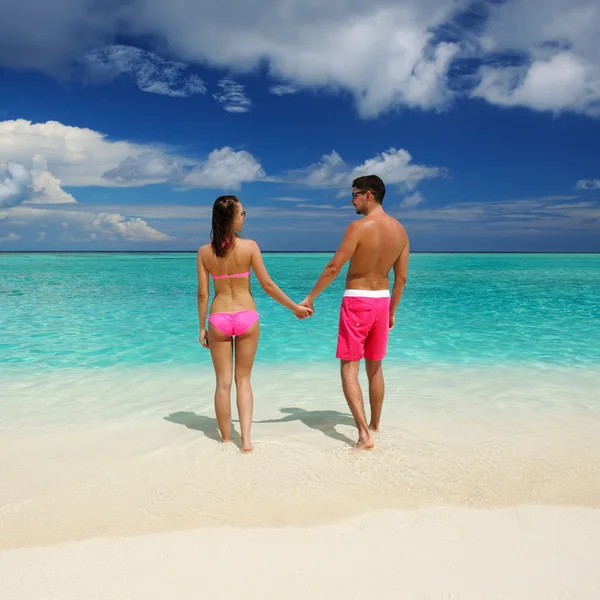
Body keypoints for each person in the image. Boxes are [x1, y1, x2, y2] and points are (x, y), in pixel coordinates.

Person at [300, 175, 409, 450]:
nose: (352, 200)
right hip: (382, 302)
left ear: (369, 195)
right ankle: (374, 425)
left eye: (355, 195)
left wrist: (311, 297)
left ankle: (363, 435)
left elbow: (334, 268)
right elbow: (402, 278)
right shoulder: (401, 232)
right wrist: (392, 310)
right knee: (375, 367)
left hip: (357, 301)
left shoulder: (358, 227)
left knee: (349, 367)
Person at [197, 195, 313, 452]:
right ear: (232, 217)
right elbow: (268, 285)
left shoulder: (204, 252)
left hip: (218, 318)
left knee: (223, 383)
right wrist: (295, 308)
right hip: (247, 316)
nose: (244, 217)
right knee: (244, 381)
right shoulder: (250, 247)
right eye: (242, 213)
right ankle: (246, 441)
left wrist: (202, 327)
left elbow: (203, 293)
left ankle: (226, 440)